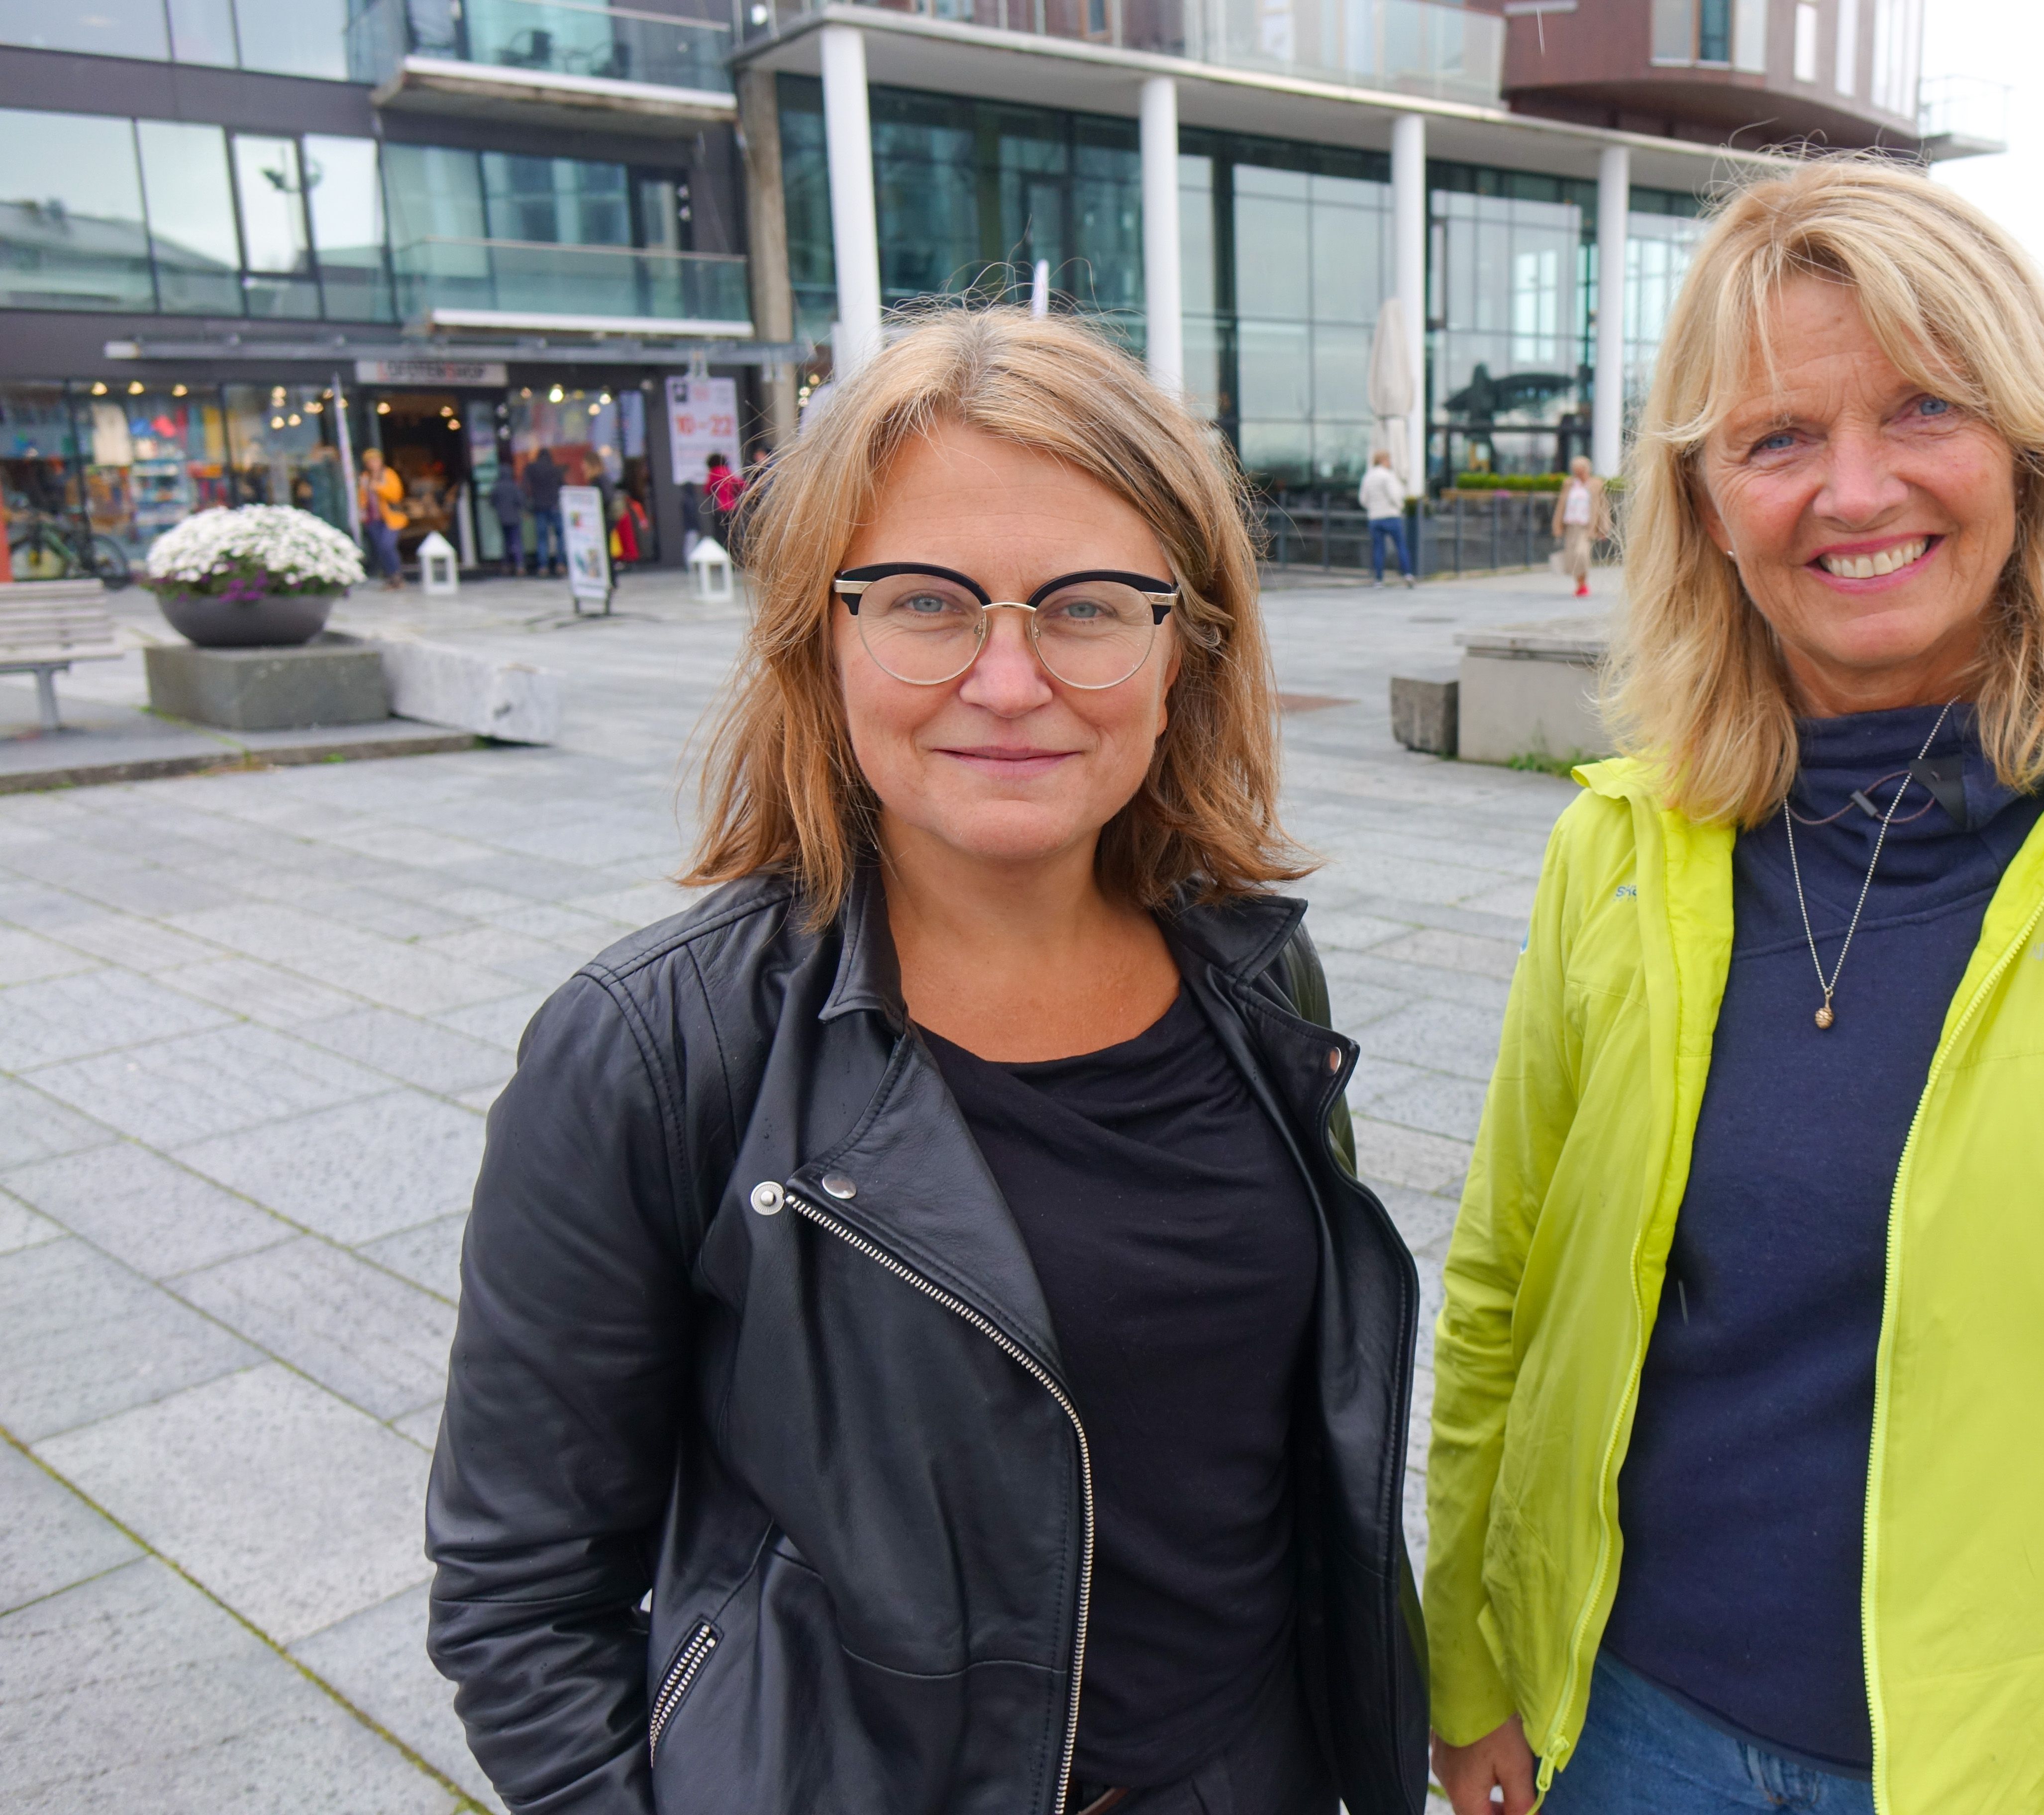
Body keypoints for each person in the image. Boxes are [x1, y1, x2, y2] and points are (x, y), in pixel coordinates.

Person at [1427, 156, 2044, 1815]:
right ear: (1706, 499)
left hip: (2012, 1772)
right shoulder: (1624, 842)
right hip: (1623, 1731)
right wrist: (1469, 1663)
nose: (1855, 488)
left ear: (2032, 448)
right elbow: (1501, 1294)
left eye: (1925, 409)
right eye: (1777, 438)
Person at [427, 307, 1430, 1815]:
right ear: (818, 638)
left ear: (1185, 647)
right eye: (924, 601)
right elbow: (522, 1598)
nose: (1009, 680)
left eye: (1088, 606)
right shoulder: (654, 1051)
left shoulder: (1257, 977)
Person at [1551, 455, 1611, 599]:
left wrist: (1604, 528)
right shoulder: (1569, 484)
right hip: (1570, 525)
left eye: (1581, 471)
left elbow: (1603, 507)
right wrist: (1557, 526)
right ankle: (1580, 585)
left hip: (1586, 526)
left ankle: (1583, 583)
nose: (1579, 474)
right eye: (1576, 471)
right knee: (1572, 556)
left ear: (1587, 470)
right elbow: (1561, 505)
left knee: (1581, 554)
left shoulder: (1596, 484)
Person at [357, 447, 407, 590]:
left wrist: (379, 488)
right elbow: (362, 498)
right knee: (381, 549)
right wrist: (362, 513)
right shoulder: (365, 477)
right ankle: (391, 577)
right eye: (370, 461)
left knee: (387, 546)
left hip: (391, 519)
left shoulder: (389, 474)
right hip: (373, 520)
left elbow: (397, 495)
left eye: (375, 460)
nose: (373, 464)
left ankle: (397, 576)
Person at [1361, 448, 1411, 587]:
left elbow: (1363, 499)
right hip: (1391, 516)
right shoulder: (1388, 476)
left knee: (1378, 549)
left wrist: (1373, 508)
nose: (1390, 463)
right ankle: (1407, 575)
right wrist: (1400, 506)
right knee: (1400, 546)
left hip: (1375, 518)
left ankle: (1379, 579)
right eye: (1389, 460)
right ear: (1384, 460)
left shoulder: (1368, 476)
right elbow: (1394, 495)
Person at [522, 446, 565, 576]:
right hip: (555, 506)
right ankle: (560, 564)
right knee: (560, 536)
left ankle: (543, 566)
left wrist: (527, 506)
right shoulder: (555, 469)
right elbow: (563, 486)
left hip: (539, 507)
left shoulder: (532, 468)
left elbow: (525, 487)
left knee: (542, 538)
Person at [489, 462, 525, 576]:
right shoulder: (514, 486)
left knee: (506, 542)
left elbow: (492, 502)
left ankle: (506, 565)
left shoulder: (497, 487)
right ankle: (520, 565)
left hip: (503, 519)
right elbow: (520, 501)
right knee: (516, 542)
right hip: (515, 518)